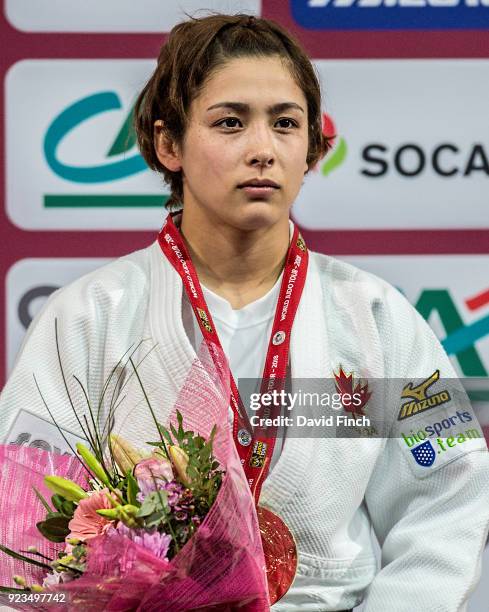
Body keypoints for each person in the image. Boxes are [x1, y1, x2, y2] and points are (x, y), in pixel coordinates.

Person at [1, 13, 488, 612]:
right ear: (168, 145)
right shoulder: (87, 316)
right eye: (230, 123)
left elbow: (452, 493)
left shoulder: (381, 318)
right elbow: (25, 532)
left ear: (311, 147)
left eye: (285, 123)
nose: (262, 149)